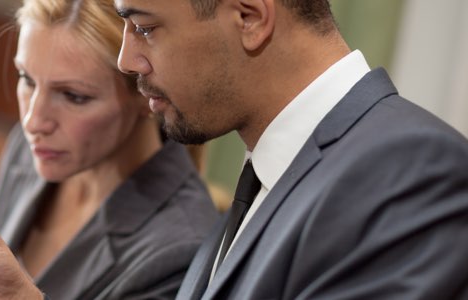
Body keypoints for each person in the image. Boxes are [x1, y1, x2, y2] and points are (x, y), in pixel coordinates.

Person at [0, 0, 219, 298]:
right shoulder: (27, 153)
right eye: (27, 80)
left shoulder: (181, 247)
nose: (34, 120)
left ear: (146, 94)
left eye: (74, 96)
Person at [112, 0, 468, 299]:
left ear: (250, 17)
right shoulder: (269, 175)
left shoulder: (409, 170)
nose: (126, 61)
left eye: (144, 27)